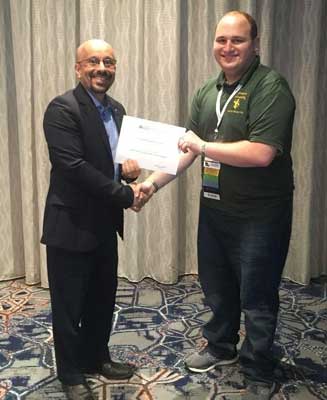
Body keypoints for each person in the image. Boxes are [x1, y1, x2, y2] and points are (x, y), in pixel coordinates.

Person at [140, 10, 295, 400]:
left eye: (237, 40)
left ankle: (258, 364)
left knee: (257, 293)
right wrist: (151, 184)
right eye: (221, 40)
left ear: (254, 45)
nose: (228, 47)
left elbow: (261, 153)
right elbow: (186, 151)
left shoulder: (270, 87)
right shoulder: (208, 91)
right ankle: (221, 347)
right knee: (218, 286)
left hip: (260, 212)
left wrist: (204, 146)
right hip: (215, 208)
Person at [41, 39, 149, 400]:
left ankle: (96, 357)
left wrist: (130, 175)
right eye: (93, 62)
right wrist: (124, 195)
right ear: (78, 68)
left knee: (102, 298)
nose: (102, 68)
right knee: (70, 304)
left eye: (109, 62)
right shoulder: (62, 109)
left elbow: (113, 164)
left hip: (104, 223)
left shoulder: (117, 110)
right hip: (70, 225)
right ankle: (71, 373)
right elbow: (73, 167)